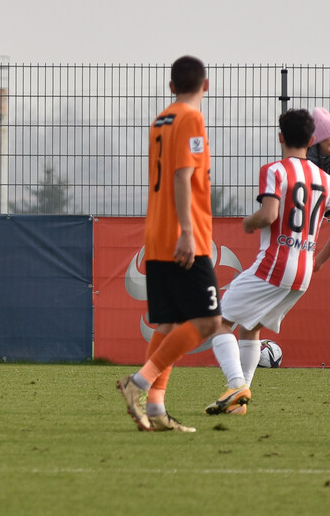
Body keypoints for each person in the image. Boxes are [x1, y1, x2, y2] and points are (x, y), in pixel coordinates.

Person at [205, 109, 330, 415]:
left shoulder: (275, 170)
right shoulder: (324, 178)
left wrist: (250, 221)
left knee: (217, 322)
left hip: (275, 264)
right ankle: (239, 402)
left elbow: (269, 214)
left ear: (280, 137)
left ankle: (236, 385)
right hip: (303, 272)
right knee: (250, 327)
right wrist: (319, 260)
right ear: (312, 140)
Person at [116, 56, 220, 433]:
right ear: (205, 85)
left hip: (157, 234)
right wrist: (189, 233)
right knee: (208, 321)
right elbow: (182, 176)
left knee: (171, 323)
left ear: (171, 85)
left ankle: (156, 408)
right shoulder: (192, 119)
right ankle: (139, 383)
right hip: (183, 236)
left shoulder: (160, 120)